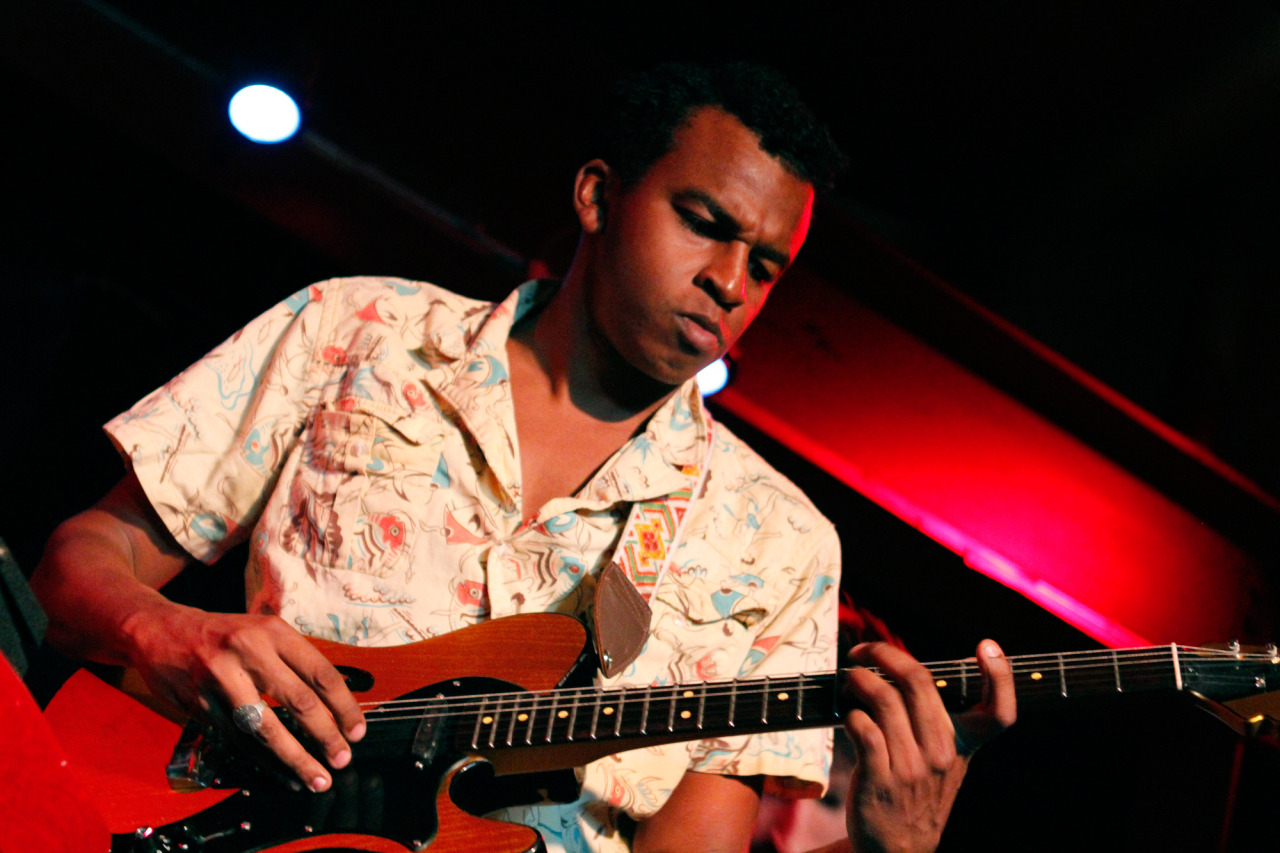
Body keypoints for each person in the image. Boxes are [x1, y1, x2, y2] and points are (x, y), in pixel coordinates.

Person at [31, 62, 1014, 853]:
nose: (726, 282)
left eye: (764, 265)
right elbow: (76, 564)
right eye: (703, 224)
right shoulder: (356, 330)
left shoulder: (779, 542)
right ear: (596, 194)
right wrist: (167, 632)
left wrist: (896, 851)